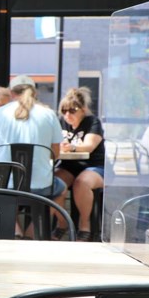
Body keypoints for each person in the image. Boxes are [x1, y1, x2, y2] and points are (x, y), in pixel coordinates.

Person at [0, 74, 66, 200]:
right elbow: (55, 153)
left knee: (10, 193)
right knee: (62, 188)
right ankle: (39, 220)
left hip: (4, 183)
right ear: (35, 93)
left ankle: (13, 220)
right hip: (41, 185)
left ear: (11, 93)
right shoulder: (49, 114)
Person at [52, 88, 106, 242]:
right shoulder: (61, 122)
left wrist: (72, 147)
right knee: (53, 183)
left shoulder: (92, 122)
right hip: (69, 166)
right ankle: (62, 224)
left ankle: (85, 226)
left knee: (81, 183)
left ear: (83, 110)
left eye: (72, 110)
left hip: (94, 166)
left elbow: (89, 146)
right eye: (64, 110)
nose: (67, 114)